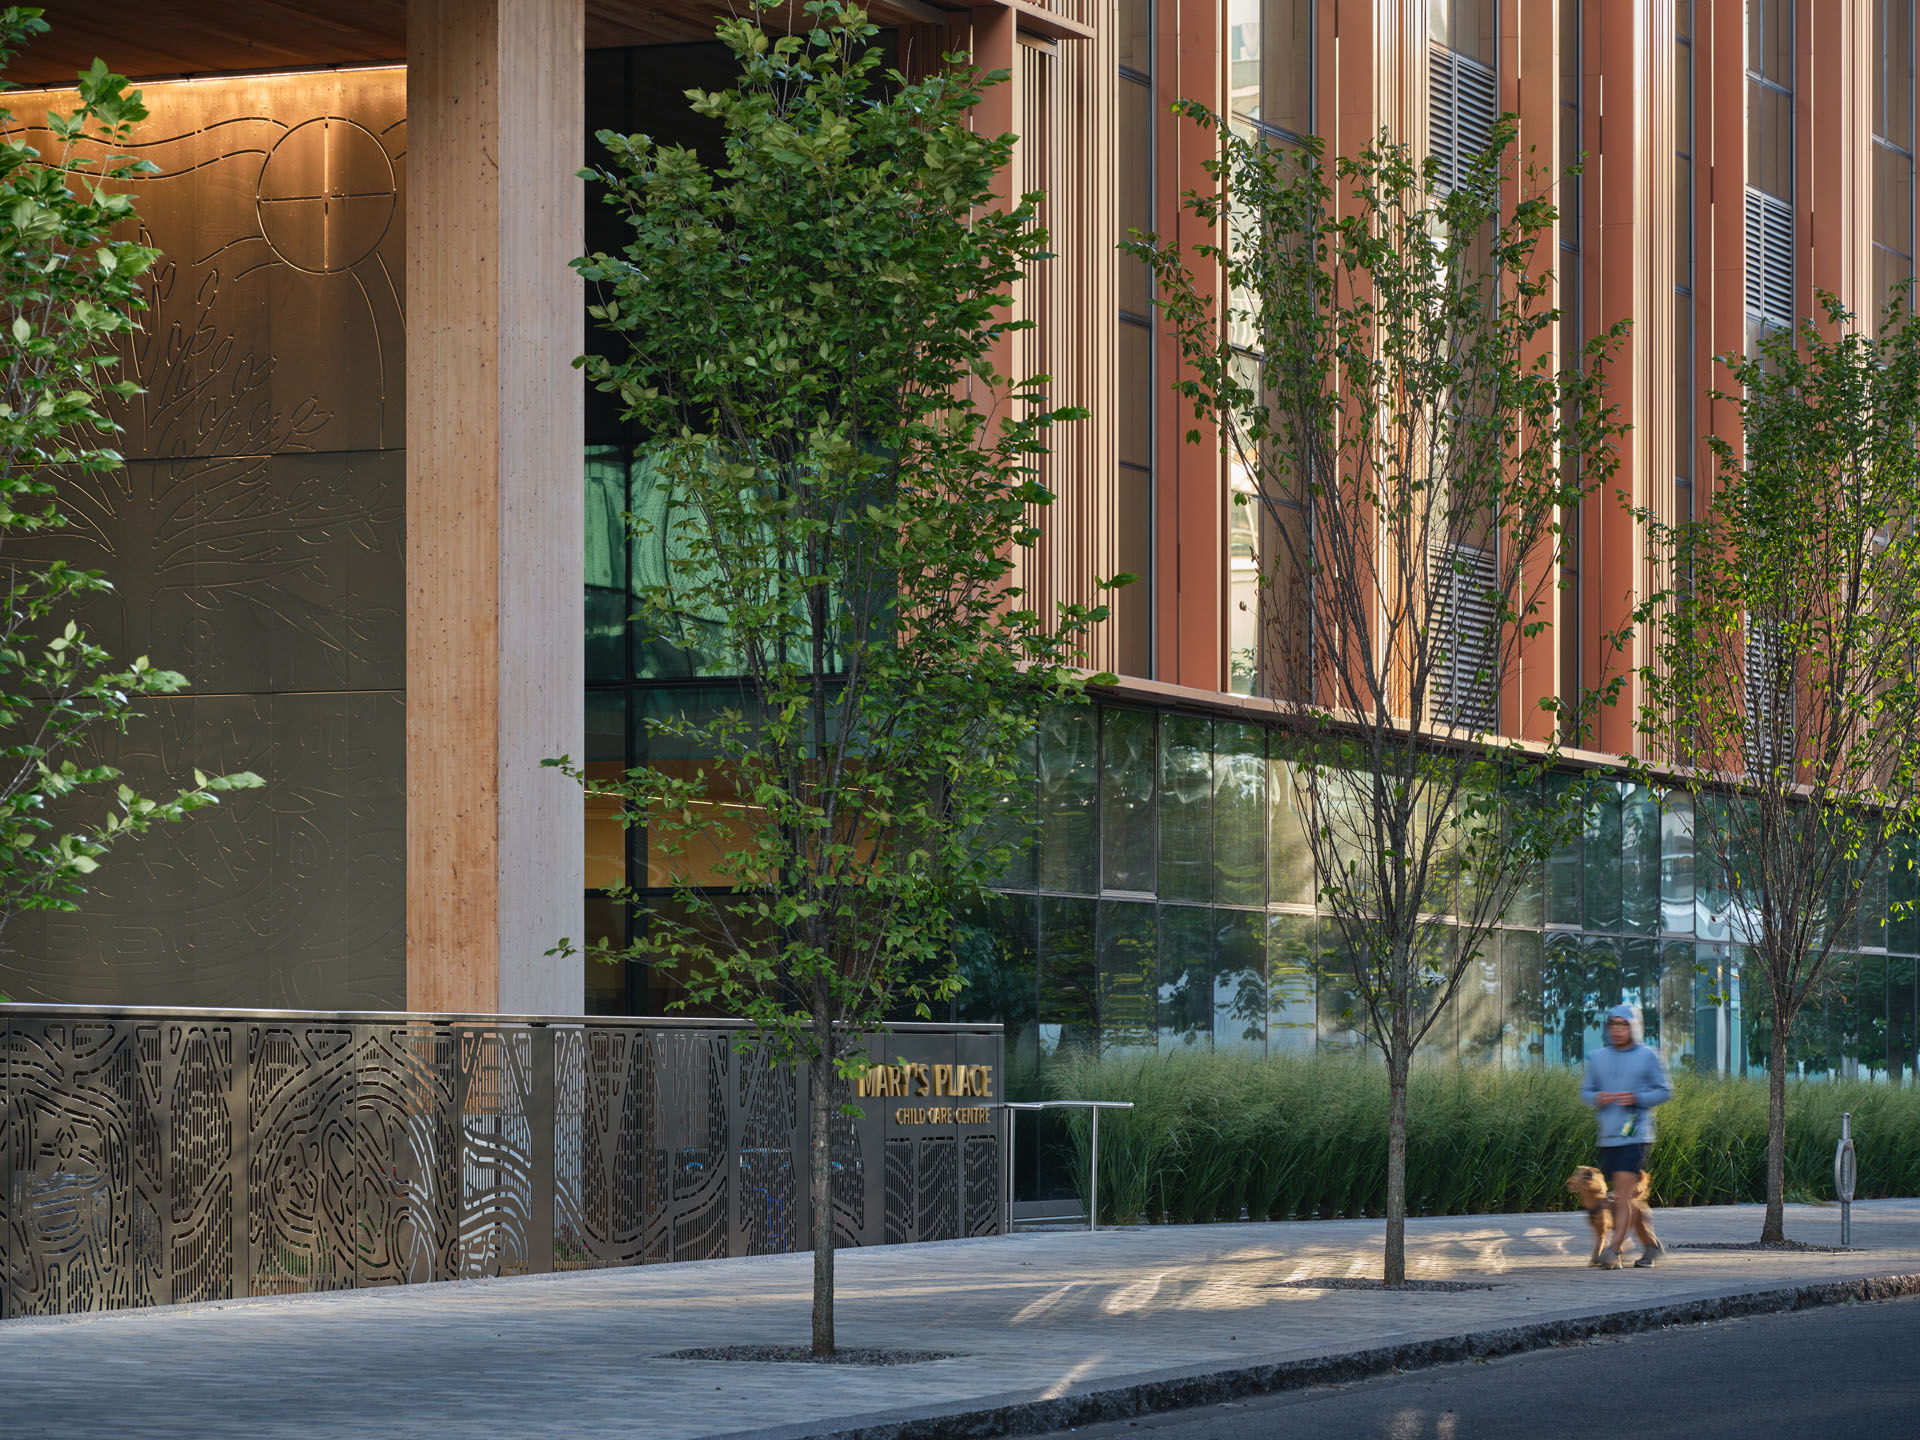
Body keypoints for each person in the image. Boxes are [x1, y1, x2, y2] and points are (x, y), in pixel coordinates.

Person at [1580, 1003, 1672, 1269]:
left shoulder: (1648, 1055)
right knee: (1627, 1200)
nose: (1618, 1030)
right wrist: (1598, 1097)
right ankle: (1652, 1246)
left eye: (1624, 1024)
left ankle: (1614, 1250)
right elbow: (1585, 1092)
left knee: (1621, 1195)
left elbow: (1665, 1090)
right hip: (1608, 1136)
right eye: (1614, 1024)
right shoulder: (1597, 1057)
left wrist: (1637, 1098)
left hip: (1636, 1134)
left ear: (1633, 1027)